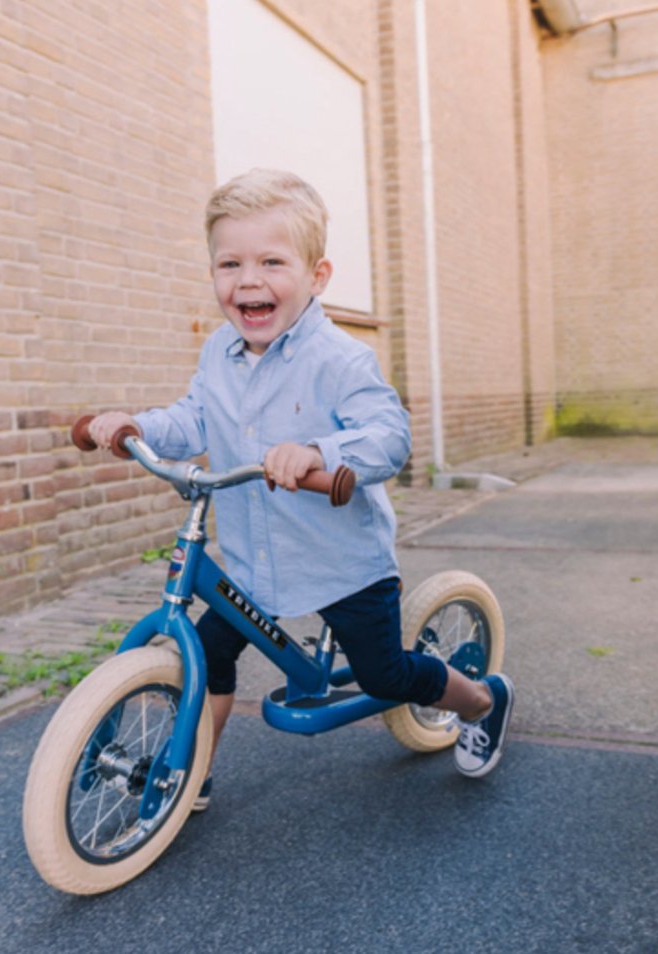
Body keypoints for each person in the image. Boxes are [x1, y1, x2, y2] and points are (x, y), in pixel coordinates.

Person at [84, 169, 514, 806]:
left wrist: (318, 451)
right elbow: (194, 417)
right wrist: (135, 425)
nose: (248, 280)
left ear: (316, 277)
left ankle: (481, 700)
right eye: (229, 263)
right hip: (257, 561)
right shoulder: (219, 355)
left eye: (272, 262)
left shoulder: (340, 359)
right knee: (207, 652)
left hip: (343, 563)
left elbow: (389, 435)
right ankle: (188, 769)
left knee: (384, 673)